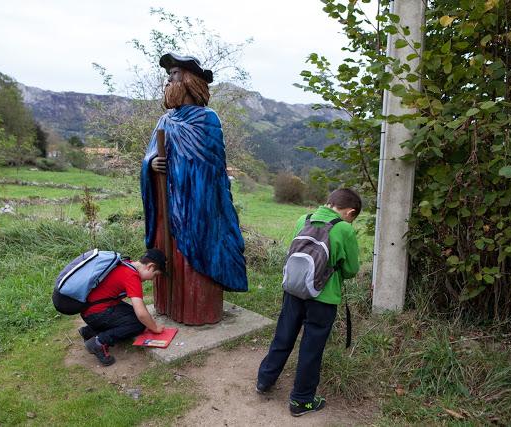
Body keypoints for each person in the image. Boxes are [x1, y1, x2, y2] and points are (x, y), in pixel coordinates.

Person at [140, 52, 248, 325]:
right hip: (168, 208)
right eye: (168, 74)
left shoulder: (207, 120)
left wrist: (181, 171)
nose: (168, 80)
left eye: (174, 74)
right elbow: (150, 157)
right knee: (170, 257)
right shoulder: (165, 121)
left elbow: (211, 169)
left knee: (196, 258)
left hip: (199, 207)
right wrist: (152, 166)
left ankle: (197, 311)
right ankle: (167, 306)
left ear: (189, 80)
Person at [256, 188, 362, 417]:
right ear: (350, 212)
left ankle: (264, 380)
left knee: (283, 336)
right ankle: (302, 400)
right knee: (311, 348)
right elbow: (352, 269)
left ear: (329, 202)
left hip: (293, 291)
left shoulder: (302, 219)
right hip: (323, 299)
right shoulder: (344, 229)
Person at [79, 249, 167, 366]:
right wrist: (154, 328)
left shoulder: (127, 263)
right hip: (96, 313)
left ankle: (90, 331)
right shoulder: (131, 276)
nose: (152, 279)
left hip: (91, 309)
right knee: (139, 324)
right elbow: (141, 313)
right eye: (155, 275)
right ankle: (99, 342)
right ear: (150, 266)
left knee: (136, 318)